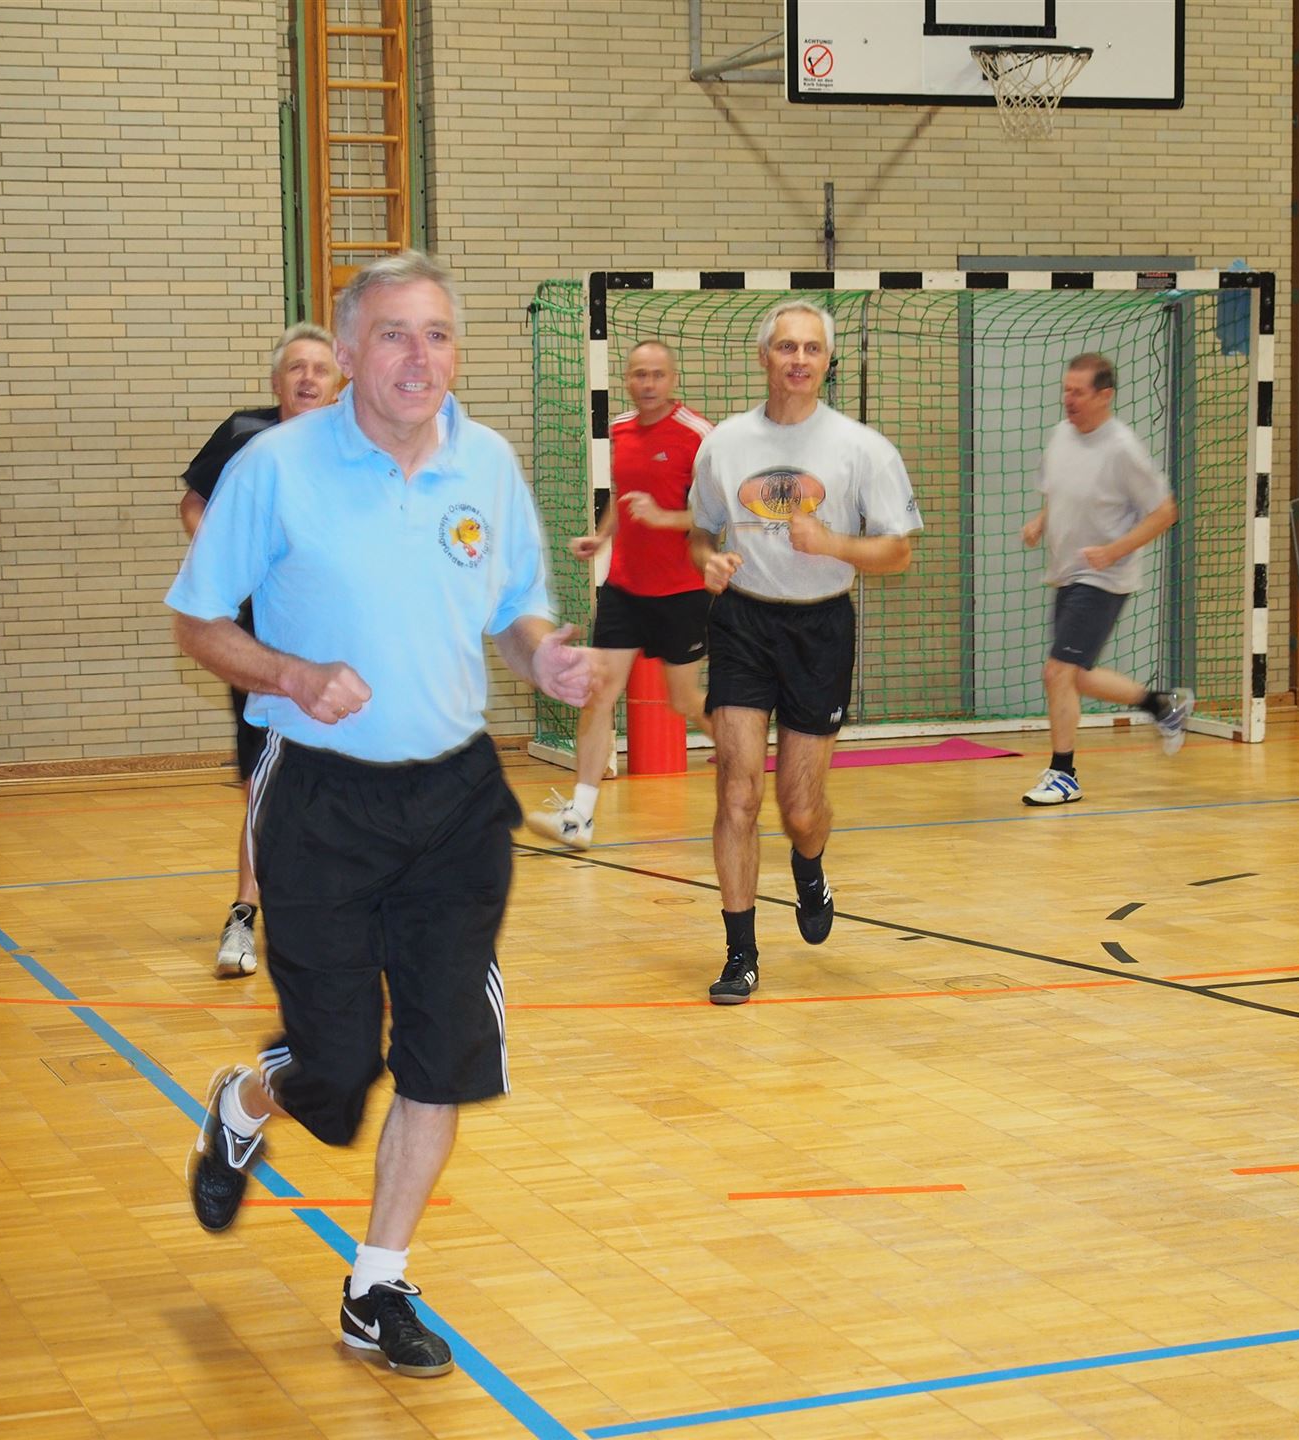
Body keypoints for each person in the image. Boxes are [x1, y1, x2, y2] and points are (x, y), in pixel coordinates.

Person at [166, 252, 600, 1378]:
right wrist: (291, 673)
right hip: (321, 799)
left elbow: (515, 610)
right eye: (396, 335)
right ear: (351, 353)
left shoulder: (486, 462)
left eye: (439, 334)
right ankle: (246, 1100)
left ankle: (378, 1283)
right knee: (334, 1069)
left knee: (443, 1056)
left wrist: (544, 657)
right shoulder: (276, 467)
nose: (421, 357)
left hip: (454, 802)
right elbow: (198, 622)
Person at [687, 300, 921, 1005]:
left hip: (820, 629)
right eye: (786, 347)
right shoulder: (724, 444)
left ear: (827, 361)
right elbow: (699, 531)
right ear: (764, 356)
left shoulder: (862, 448)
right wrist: (708, 561)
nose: (798, 359)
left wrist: (833, 543)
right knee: (737, 791)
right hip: (742, 622)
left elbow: (898, 552)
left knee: (798, 806)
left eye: (811, 348)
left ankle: (809, 863)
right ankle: (741, 953)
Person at [179, 322, 345, 977]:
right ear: (277, 381)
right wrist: (227, 558)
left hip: (338, 637)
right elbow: (194, 504)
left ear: (339, 383)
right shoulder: (245, 436)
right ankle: (245, 914)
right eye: (296, 367)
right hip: (257, 640)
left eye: (320, 369)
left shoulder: (355, 445)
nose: (308, 378)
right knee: (262, 778)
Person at [527, 340, 713, 847]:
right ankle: (579, 817)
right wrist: (602, 535)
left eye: (657, 375)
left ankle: (745, 763)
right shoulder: (621, 430)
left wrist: (664, 517)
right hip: (625, 590)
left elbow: (716, 514)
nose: (647, 384)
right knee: (597, 694)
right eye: (638, 375)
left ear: (672, 379)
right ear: (627, 379)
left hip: (681, 592)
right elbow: (621, 496)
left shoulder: (699, 435)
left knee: (684, 700)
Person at [1018, 352, 1194, 807]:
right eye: (1066, 390)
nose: (1069, 399)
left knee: (1057, 671)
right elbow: (1059, 492)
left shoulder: (1122, 449)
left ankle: (1064, 775)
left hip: (1103, 577)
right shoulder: (1061, 435)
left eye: (1078, 392)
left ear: (1104, 396)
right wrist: (1041, 521)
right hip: (1067, 573)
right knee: (1075, 676)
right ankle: (1162, 705)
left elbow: (1165, 512)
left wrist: (1114, 551)